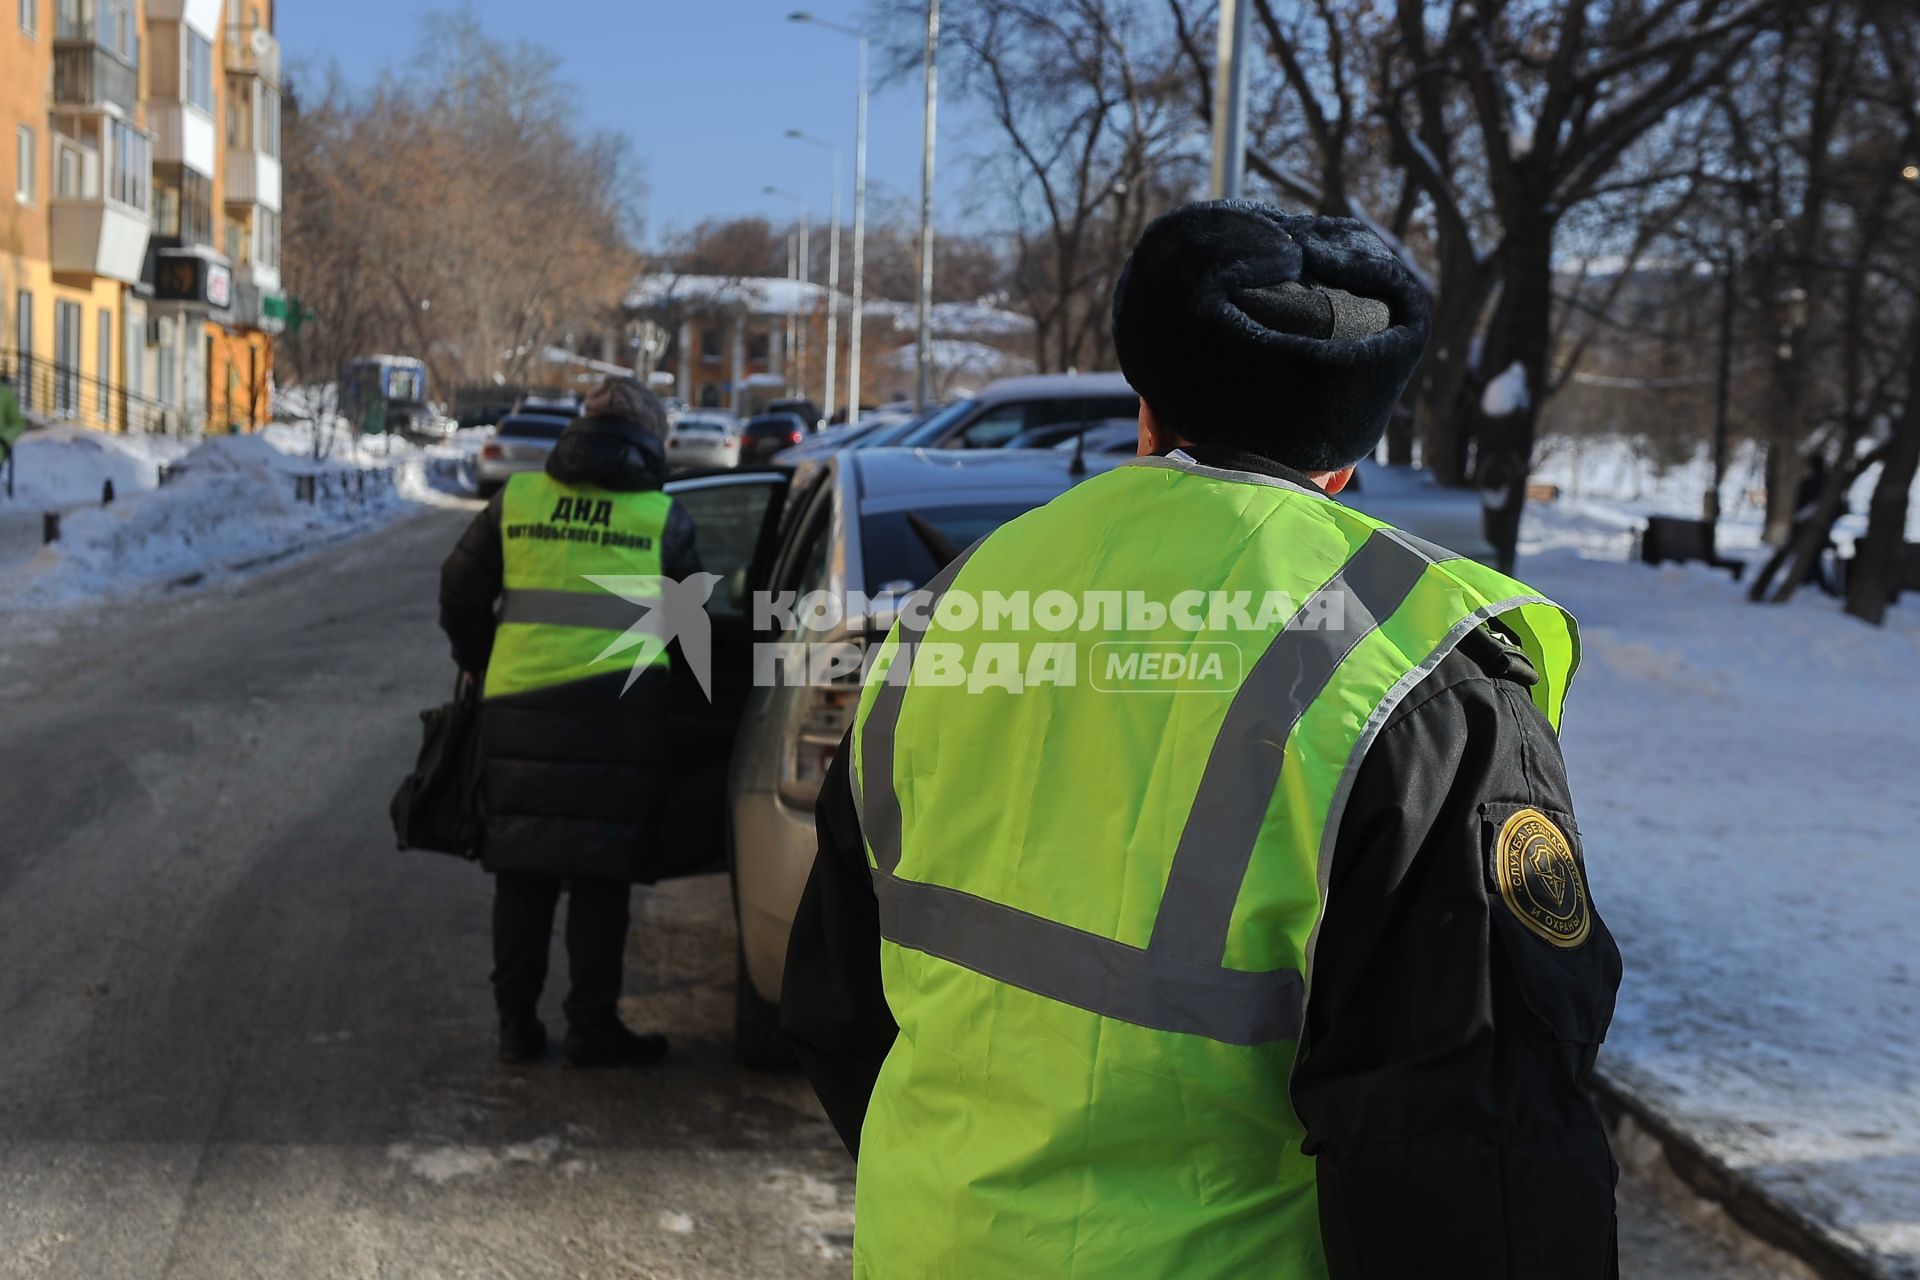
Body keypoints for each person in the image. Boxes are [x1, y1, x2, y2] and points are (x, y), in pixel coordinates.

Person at [782, 202, 1622, 1277]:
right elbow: (1479, 1162)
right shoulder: (1414, 671)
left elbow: (837, 1002)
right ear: (1348, 459)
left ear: (1146, 409)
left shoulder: (957, 601)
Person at [439, 376, 700, 1068]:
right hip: (621, 717)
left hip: (518, 708)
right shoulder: (660, 518)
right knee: (600, 879)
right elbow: (689, 627)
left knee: (521, 875)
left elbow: (458, 587)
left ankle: (514, 1028)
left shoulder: (516, 499)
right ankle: (591, 1027)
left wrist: (479, 659)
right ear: (649, 441)